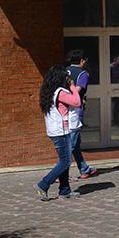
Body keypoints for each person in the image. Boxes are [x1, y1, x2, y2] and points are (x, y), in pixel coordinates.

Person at [35, 65, 82, 201]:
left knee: (64, 160)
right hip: (61, 131)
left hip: (55, 130)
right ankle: (43, 184)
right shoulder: (60, 92)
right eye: (67, 77)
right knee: (65, 162)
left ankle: (64, 190)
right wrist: (72, 86)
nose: (68, 79)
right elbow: (77, 102)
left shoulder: (49, 91)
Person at [66, 50, 98, 179]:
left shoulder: (64, 71)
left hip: (63, 109)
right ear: (82, 60)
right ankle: (61, 173)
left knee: (75, 142)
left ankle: (84, 169)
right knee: (71, 143)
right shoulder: (83, 74)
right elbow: (77, 91)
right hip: (75, 109)